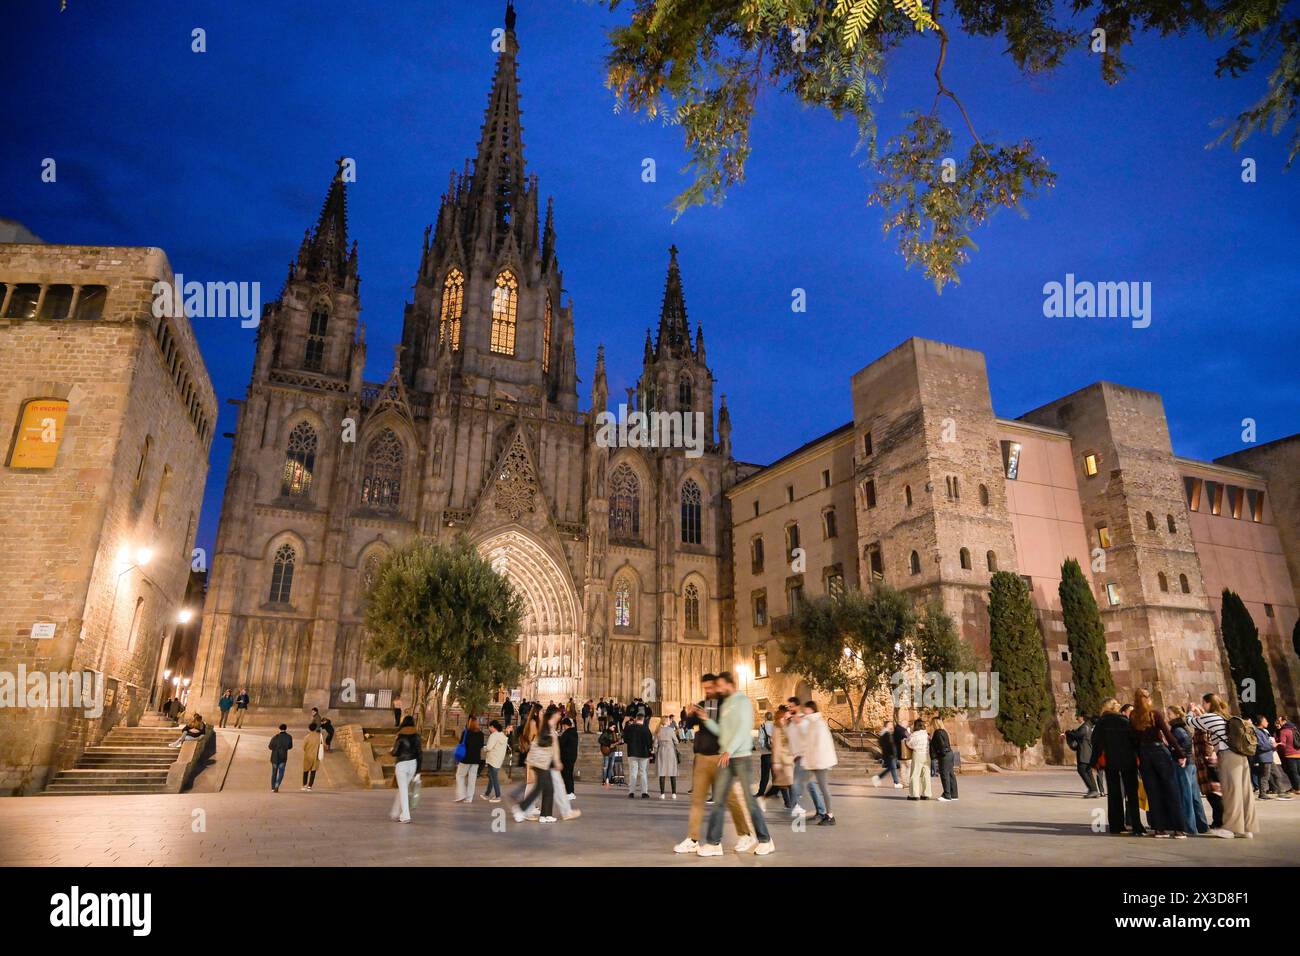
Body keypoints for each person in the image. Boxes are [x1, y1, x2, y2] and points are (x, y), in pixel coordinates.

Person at [695, 671, 775, 856]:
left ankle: (765, 840)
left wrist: (730, 750)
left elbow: (743, 729)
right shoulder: (727, 704)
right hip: (726, 756)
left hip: (740, 757)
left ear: (730, 684)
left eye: (721, 685)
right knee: (718, 801)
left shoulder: (743, 702)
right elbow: (722, 730)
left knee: (749, 801)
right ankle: (714, 843)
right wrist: (707, 720)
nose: (719, 688)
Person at [674, 674, 751, 854]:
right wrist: (690, 714)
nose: (707, 691)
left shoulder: (726, 705)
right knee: (697, 800)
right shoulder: (703, 703)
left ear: (717, 686)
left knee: (730, 798)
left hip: (719, 757)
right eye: (705, 688)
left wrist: (708, 718)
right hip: (701, 757)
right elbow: (689, 724)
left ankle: (745, 834)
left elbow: (726, 729)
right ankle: (693, 838)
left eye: (710, 687)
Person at [1189, 694, 1257, 839]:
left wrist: (1191, 710)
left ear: (1207, 703)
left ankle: (1230, 828)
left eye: (1204, 703)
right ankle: (1246, 828)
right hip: (1241, 755)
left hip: (1228, 755)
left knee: (1231, 791)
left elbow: (1190, 722)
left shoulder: (1212, 717)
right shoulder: (1226, 716)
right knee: (1245, 792)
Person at [1128, 688, 1187, 837]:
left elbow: (1133, 739)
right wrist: (1180, 754)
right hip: (1160, 753)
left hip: (1144, 755)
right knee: (1171, 790)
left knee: (1153, 792)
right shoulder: (1154, 714)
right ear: (1148, 699)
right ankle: (1179, 829)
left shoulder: (1133, 716)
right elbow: (1168, 734)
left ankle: (1159, 829)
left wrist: (1139, 755)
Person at [1089, 697, 1144, 835]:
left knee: (1114, 794)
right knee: (1131, 794)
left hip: (1111, 761)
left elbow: (1096, 743)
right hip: (1128, 760)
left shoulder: (1102, 722)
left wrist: (1093, 763)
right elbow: (1135, 739)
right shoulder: (1124, 721)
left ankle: (1116, 825)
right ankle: (1137, 825)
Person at [513, 705, 562, 823]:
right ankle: (521, 809)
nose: (560, 716)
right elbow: (549, 746)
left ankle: (545, 815)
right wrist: (557, 761)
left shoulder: (548, 726)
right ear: (554, 715)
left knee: (548, 788)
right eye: (559, 714)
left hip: (542, 762)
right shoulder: (546, 727)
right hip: (539, 762)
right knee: (539, 788)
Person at [1168, 706, 1208, 834]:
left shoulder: (1177, 728)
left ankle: (1190, 828)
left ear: (1175, 714)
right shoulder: (1182, 726)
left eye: (1169, 713)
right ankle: (1202, 825)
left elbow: (1186, 741)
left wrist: (1181, 755)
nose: (1167, 715)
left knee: (1186, 796)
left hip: (1184, 765)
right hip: (1190, 763)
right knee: (1194, 796)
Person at [786, 699, 826, 818]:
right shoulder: (793, 721)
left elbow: (807, 734)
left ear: (798, 706)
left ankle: (795, 807)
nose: (789, 709)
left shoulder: (803, 719)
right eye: (788, 706)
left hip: (804, 756)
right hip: (798, 756)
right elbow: (791, 738)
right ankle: (821, 811)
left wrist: (796, 721)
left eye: (791, 706)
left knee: (795, 784)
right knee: (811, 785)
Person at [801, 701, 838, 825]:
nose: (804, 711)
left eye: (806, 709)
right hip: (815, 761)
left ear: (811, 709)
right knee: (808, 782)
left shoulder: (818, 724)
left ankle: (830, 815)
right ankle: (822, 811)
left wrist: (815, 762)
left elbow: (820, 745)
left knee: (824, 788)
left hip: (820, 761)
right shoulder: (812, 723)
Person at [389, 715, 421, 823]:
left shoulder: (400, 735)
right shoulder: (417, 736)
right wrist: (418, 770)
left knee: (403, 789)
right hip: (413, 764)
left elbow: (395, 752)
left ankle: (406, 815)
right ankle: (396, 812)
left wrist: (391, 751)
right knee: (403, 788)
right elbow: (420, 753)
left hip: (402, 765)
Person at [1252, 715, 1293, 799]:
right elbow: (1261, 746)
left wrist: (1273, 744)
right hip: (1264, 758)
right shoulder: (1257, 732)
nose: (1267, 722)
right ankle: (1262, 794)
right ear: (1261, 722)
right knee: (1265, 776)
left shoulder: (1264, 731)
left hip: (1269, 757)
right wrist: (1272, 745)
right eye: (1266, 721)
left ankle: (1281, 792)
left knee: (1277, 774)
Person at [1063, 713, 1102, 798]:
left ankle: (1092, 790)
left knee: (1082, 770)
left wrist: (1068, 732)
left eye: (1078, 717)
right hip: (1088, 752)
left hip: (1085, 752)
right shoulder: (1089, 727)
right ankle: (1094, 790)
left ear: (1082, 717)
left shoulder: (1085, 727)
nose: (1077, 718)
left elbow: (1078, 735)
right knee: (1088, 771)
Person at [768, 706, 795, 808]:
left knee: (788, 782)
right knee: (783, 782)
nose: (784, 719)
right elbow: (776, 747)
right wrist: (776, 762)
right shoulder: (777, 728)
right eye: (783, 717)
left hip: (789, 759)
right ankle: (788, 802)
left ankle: (791, 802)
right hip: (781, 759)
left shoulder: (788, 726)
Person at [623, 713, 654, 799]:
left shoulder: (630, 728)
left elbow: (625, 739)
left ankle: (631, 792)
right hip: (643, 754)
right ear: (643, 719)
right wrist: (650, 750)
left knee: (633, 773)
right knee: (643, 773)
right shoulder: (646, 729)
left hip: (632, 753)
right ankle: (644, 792)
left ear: (636, 718)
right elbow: (649, 742)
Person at [454, 716, 485, 803]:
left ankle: (461, 794)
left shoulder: (466, 733)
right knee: (472, 779)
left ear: (469, 723)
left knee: (460, 776)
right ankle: (469, 798)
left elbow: (461, 743)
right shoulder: (481, 734)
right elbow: (481, 746)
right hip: (476, 760)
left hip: (465, 759)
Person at [932, 716, 958, 802]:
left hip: (945, 755)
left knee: (944, 774)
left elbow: (941, 745)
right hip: (950, 753)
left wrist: (940, 754)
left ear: (935, 723)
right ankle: (954, 794)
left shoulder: (937, 732)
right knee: (951, 774)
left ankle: (947, 795)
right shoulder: (944, 731)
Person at [482, 719, 508, 802]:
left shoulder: (493, 736)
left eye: (489, 727)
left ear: (493, 727)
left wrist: (484, 748)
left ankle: (498, 796)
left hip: (492, 759)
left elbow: (489, 747)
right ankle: (487, 794)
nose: (489, 729)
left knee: (494, 779)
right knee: (492, 777)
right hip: (498, 760)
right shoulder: (502, 735)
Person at [655, 712, 680, 798]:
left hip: (661, 751)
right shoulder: (670, 730)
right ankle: (674, 793)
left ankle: (662, 794)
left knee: (662, 773)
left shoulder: (658, 730)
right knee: (672, 772)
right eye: (669, 720)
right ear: (666, 721)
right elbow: (676, 741)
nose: (670, 721)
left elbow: (655, 744)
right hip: (670, 752)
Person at [872, 719, 902, 789]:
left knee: (891, 768)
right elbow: (888, 745)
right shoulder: (886, 734)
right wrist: (892, 753)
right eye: (890, 724)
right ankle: (896, 783)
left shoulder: (886, 733)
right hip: (889, 754)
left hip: (888, 754)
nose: (892, 725)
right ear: (887, 725)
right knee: (893, 768)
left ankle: (878, 778)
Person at [906, 719, 931, 800]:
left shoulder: (914, 735)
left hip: (918, 755)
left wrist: (908, 737)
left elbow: (909, 744)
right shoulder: (926, 734)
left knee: (915, 774)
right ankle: (926, 794)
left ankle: (914, 794)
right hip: (927, 755)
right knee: (926, 775)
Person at [559, 717, 580, 800]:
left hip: (566, 757)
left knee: (567, 775)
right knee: (569, 775)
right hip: (572, 756)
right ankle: (571, 792)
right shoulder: (574, 732)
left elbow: (561, 743)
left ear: (565, 725)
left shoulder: (567, 733)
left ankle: (569, 792)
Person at [1278, 714, 1300, 792]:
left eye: (1279, 721)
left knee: (1293, 773)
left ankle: (1297, 789)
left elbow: (1283, 744)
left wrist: (1277, 744)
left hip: (1290, 755)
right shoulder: (1294, 729)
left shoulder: (1283, 731)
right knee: (1298, 772)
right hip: (1298, 753)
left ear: (1284, 721)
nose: (1279, 723)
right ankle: (1296, 787)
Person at [754, 711, 774, 797]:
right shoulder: (776, 725)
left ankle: (761, 792)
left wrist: (764, 746)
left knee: (765, 775)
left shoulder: (763, 726)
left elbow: (760, 740)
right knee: (775, 775)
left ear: (765, 718)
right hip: (775, 754)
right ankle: (775, 792)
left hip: (766, 754)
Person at [268, 723, 292, 792]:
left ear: (279, 729)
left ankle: (272, 787)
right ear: (286, 729)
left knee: (274, 773)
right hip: (283, 757)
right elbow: (290, 746)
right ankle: (277, 785)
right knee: (281, 773)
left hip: (275, 757)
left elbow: (270, 747)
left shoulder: (275, 737)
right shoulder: (289, 737)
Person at [301, 722, 323, 791]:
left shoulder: (307, 737)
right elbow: (322, 745)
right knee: (313, 771)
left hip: (308, 755)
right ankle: (310, 786)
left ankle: (304, 785)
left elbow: (303, 747)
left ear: (309, 728)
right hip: (316, 756)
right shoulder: (319, 736)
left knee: (305, 771)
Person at [598, 723, 619, 788]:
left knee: (611, 766)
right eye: (613, 727)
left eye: (615, 727)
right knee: (605, 766)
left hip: (613, 751)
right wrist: (608, 744)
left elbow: (616, 741)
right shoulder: (605, 732)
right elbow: (600, 740)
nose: (614, 728)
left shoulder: (614, 733)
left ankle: (609, 779)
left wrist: (619, 742)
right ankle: (604, 780)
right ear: (610, 727)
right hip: (606, 751)